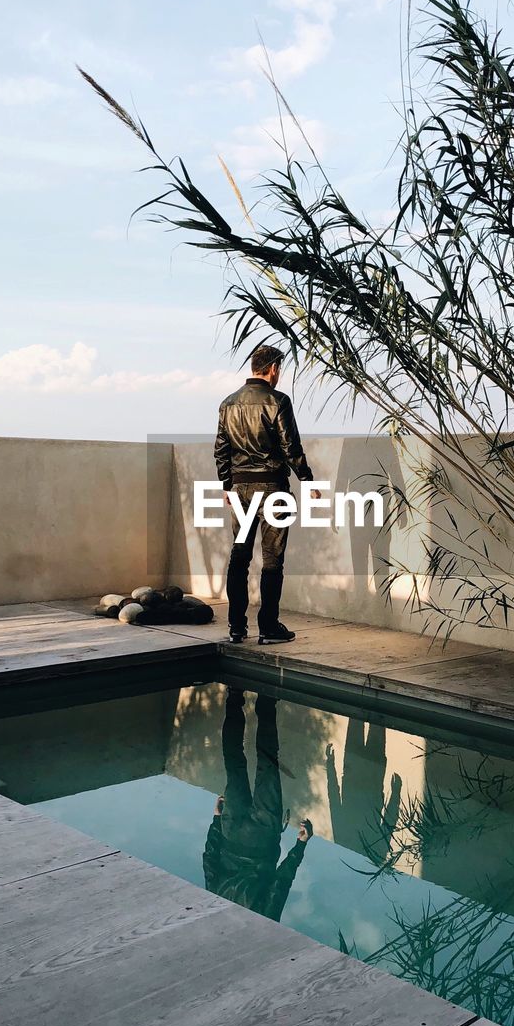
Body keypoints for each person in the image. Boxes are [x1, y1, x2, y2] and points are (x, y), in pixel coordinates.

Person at [214, 343, 317, 645]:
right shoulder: (278, 401)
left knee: (239, 556)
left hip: (239, 489)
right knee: (272, 560)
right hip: (272, 488)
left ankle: (236, 627)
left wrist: (226, 484)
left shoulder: (228, 403)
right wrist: (307, 479)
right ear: (273, 368)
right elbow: (291, 448)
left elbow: (221, 448)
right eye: (279, 369)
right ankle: (269, 628)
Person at [202, 687, 312, 923]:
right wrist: (216, 820)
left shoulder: (263, 923)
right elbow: (209, 859)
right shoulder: (213, 904)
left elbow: (281, 884)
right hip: (231, 833)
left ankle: (266, 699)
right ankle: (234, 696)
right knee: (234, 762)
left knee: (267, 764)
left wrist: (300, 845)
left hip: (262, 839)